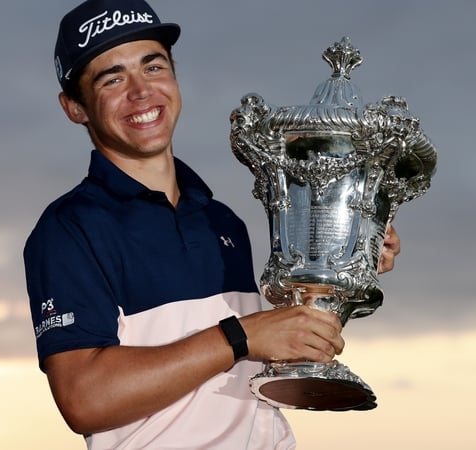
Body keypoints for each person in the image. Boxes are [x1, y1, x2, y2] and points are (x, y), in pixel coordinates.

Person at [24, 1, 401, 448]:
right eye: (112, 78)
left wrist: (343, 257)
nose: (141, 91)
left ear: (174, 75)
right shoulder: (69, 229)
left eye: (153, 66)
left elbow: (244, 368)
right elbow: (84, 398)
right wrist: (241, 336)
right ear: (75, 107)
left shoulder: (221, 220)